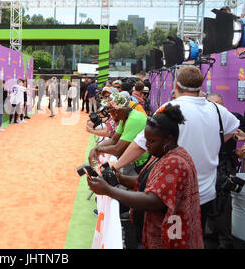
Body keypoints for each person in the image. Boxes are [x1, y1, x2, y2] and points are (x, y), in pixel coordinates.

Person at [111, 66, 240, 244]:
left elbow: (141, 143)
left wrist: (115, 166)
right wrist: (210, 145)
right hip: (204, 195)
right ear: (201, 87)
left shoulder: (169, 109)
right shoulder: (217, 110)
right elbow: (233, 128)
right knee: (192, 237)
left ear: (176, 85)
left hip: (171, 196)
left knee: (165, 240)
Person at [87, 103, 204, 249]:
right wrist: (120, 179)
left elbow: (153, 200)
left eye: (152, 141)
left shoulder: (175, 162)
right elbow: (149, 182)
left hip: (169, 237)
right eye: (147, 140)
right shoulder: (162, 155)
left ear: (168, 139)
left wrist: (108, 190)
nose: (147, 146)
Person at [206, 93, 245, 248]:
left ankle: (225, 240)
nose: (216, 108)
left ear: (224, 105)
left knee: (222, 202)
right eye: (212, 105)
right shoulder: (203, 120)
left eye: (219, 104)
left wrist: (244, 145)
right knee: (207, 198)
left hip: (225, 164)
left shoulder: (234, 118)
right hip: (206, 165)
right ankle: (211, 232)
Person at [88, 92, 149, 175]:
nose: (108, 113)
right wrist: (96, 149)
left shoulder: (134, 119)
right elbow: (114, 139)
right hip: (133, 160)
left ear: (116, 110)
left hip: (139, 163)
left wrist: (97, 149)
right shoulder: (125, 117)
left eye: (109, 110)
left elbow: (118, 149)